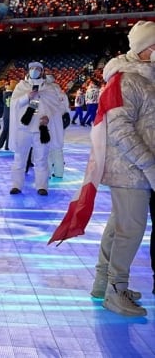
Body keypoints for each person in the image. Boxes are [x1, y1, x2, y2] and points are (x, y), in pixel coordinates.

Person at [90, 20, 155, 317]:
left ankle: (104, 284)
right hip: (132, 168)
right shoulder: (127, 80)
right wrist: (149, 163)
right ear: (145, 49)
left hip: (133, 167)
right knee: (131, 230)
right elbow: (120, 129)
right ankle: (116, 291)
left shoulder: (142, 77)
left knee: (119, 227)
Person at [8, 61, 64, 196]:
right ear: (28, 70)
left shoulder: (49, 88)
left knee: (41, 159)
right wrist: (27, 97)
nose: (34, 71)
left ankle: (42, 186)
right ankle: (16, 185)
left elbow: (55, 106)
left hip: (41, 128)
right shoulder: (21, 86)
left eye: (37, 69)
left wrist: (48, 117)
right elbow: (14, 104)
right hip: (24, 128)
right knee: (19, 158)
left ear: (42, 71)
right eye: (32, 68)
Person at [46, 73, 71, 179]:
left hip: (48, 122)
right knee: (58, 148)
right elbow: (67, 109)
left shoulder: (45, 92)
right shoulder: (62, 93)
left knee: (46, 148)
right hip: (61, 122)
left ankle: (46, 173)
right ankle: (59, 173)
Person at [0, 79, 16, 150]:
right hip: (12, 114)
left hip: (6, 114)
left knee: (5, 129)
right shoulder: (14, 95)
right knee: (10, 131)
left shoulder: (4, 94)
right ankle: (7, 146)